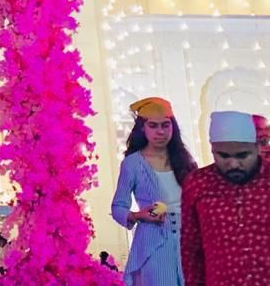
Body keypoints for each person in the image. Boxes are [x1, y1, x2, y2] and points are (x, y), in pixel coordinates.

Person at [110, 96, 196, 286]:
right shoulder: (132, 163)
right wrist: (139, 215)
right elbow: (118, 206)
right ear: (143, 128)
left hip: (189, 240)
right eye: (153, 126)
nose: (160, 132)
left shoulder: (185, 161)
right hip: (153, 243)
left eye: (165, 125)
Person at [180, 110, 270, 285]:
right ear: (212, 148)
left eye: (242, 155)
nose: (233, 164)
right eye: (223, 156)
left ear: (257, 147)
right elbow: (191, 249)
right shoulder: (198, 183)